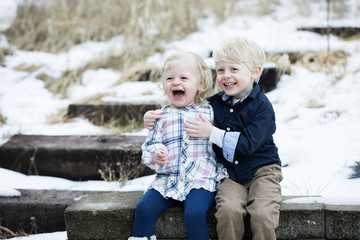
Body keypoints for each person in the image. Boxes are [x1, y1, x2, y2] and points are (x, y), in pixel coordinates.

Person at [143, 36, 283, 240]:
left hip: (262, 171)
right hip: (229, 173)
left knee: (262, 212)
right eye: (220, 70)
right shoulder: (212, 105)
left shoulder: (262, 107)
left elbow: (248, 144)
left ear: (255, 72)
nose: (226, 76)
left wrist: (211, 133)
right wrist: (151, 118)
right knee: (228, 209)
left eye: (234, 69)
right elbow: (185, 109)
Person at [129, 51, 228, 240]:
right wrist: (155, 155)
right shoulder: (160, 117)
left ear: (201, 84)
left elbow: (221, 139)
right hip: (168, 179)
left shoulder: (210, 112)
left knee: (194, 213)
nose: (175, 83)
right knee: (143, 209)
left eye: (183, 78)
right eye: (169, 78)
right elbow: (149, 146)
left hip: (200, 179)